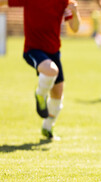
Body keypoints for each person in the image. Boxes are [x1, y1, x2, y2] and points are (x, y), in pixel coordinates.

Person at [0, 0, 81, 140]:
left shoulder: (64, 2)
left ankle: (47, 127)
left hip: (54, 51)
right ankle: (40, 95)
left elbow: (74, 28)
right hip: (33, 49)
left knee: (58, 93)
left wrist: (75, 12)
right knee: (51, 70)